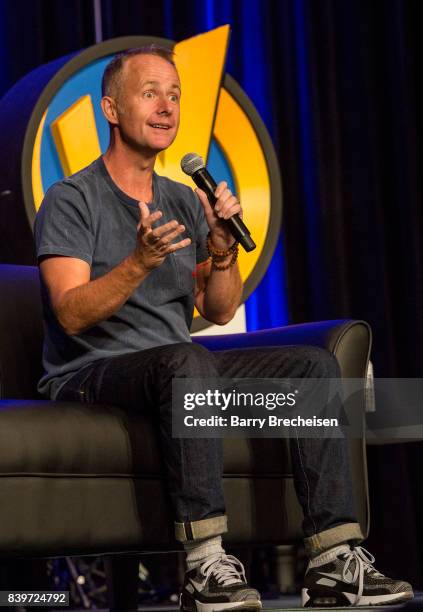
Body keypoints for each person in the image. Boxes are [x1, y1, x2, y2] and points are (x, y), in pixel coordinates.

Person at [34, 46, 413, 609]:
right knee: (187, 362)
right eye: (150, 93)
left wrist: (222, 249)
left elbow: (217, 309)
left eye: (175, 95)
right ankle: (204, 564)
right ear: (111, 110)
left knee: (310, 365)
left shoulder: (184, 199)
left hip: (173, 366)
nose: (167, 107)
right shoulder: (73, 198)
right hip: (89, 372)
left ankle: (334, 559)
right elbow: (70, 312)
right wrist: (138, 262)